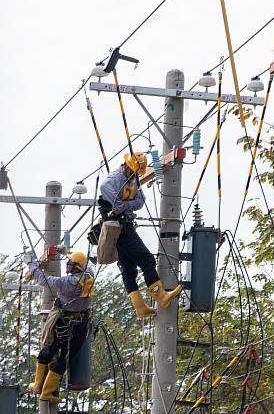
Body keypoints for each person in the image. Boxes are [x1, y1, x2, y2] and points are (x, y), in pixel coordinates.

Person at [99, 152, 182, 318]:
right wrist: (125, 205)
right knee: (146, 260)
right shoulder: (111, 182)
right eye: (133, 172)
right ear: (126, 166)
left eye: (137, 174)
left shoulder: (134, 179)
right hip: (119, 227)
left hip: (124, 224)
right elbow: (117, 204)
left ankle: (140, 308)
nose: (135, 176)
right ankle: (161, 296)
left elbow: (139, 202)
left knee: (129, 269)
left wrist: (125, 205)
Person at [26, 249, 94, 403]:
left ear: (76, 267)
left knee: (53, 351)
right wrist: (66, 252)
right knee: (61, 354)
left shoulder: (68, 283)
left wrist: (31, 263)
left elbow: (43, 280)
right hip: (79, 323)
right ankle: (42, 388)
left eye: (69, 263)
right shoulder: (88, 274)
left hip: (65, 322)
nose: (66, 264)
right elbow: (87, 264)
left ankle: (43, 389)